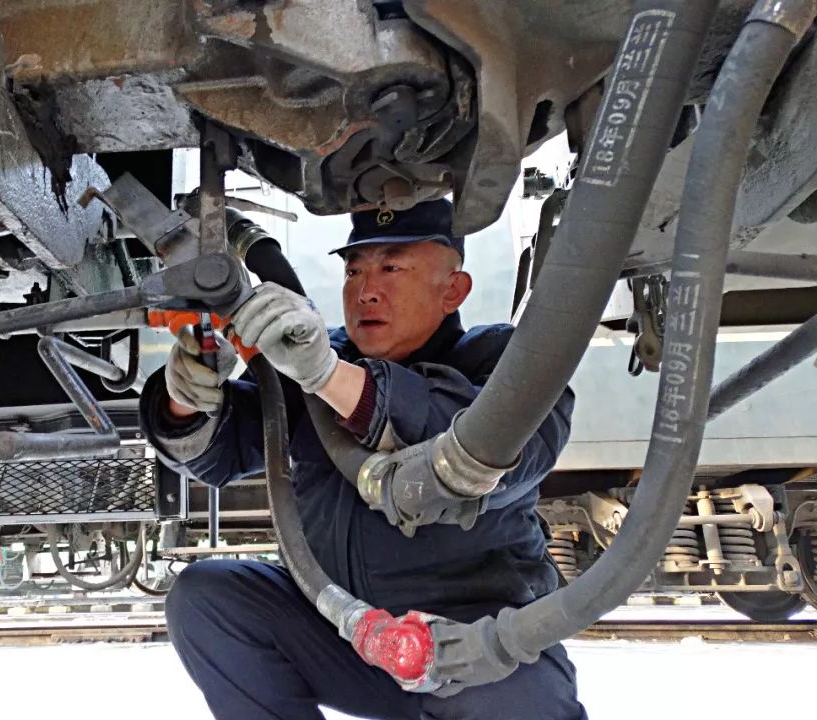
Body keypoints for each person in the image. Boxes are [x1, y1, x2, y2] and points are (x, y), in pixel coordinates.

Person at [139, 198, 586, 719]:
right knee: (207, 596)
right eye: (354, 271)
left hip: (472, 647)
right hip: (345, 636)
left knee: (524, 702)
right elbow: (220, 454)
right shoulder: (316, 361)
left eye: (392, 268)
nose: (365, 290)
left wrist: (329, 376)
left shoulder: (504, 362)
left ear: (454, 290)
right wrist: (188, 398)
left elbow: (478, 441)